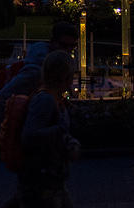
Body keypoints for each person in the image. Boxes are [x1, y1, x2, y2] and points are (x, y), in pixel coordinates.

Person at [18, 50, 80, 208]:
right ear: (64, 76)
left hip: (49, 180)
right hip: (43, 182)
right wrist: (61, 131)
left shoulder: (53, 98)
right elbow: (29, 137)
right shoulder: (45, 100)